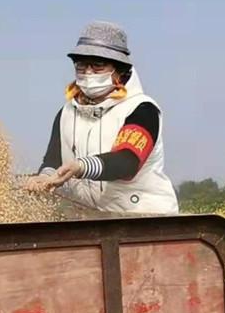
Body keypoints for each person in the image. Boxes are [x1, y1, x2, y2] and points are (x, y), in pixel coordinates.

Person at [25, 21, 179, 215]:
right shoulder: (66, 113)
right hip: (93, 217)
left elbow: (127, 161)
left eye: (98, 66)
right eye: (81, 65)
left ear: (120, 71)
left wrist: (81, 166)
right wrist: (45, 177)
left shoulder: (141, 109)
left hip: (143, 217)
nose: (88, 73)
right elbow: (53, 159)